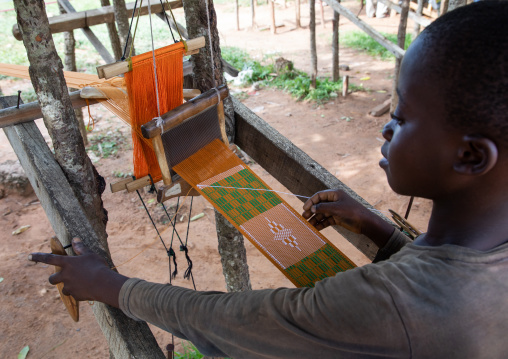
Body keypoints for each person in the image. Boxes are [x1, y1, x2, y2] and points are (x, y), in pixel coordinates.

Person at [29, 2, 508, 357]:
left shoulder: (386, 305)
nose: (386, 126)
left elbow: (229, 321)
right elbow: (441, 281)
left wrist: (110, 286)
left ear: (469, 155)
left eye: (401, 118)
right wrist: (379, 229)